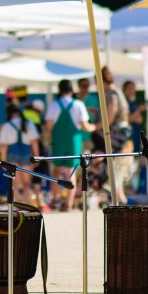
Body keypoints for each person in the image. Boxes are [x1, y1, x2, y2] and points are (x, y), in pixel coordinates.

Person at [45, 79, 95, 211]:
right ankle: (69, 203)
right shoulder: (78, 104)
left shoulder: (54, 105)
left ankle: (56, 199)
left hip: (58, 141)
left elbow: (49, 126)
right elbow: (85, 125)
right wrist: (95, 127)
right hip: (73, 141)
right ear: (72, 90)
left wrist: (48, 137)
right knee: (71, 171)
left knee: (55, 170)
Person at [0, 104, 40, 205]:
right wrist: (37, 157)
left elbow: (4, 146)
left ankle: (16, 204)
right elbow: (34, 142)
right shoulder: (29, 123)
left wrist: (3, 161)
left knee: (15, 184)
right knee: (26, 183)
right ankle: (27, 204)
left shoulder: (7, 126)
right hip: (26, 153)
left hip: (12, 154)